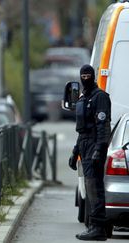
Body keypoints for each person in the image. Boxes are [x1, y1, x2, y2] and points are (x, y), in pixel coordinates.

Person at [68, 64, 111, 241]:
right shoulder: (83, 97)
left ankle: (98, 227)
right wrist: (75, 152)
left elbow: (103, 126)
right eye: (83, 75)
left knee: (94, 186)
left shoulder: (100, 97)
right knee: (89, 185)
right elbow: (82, 131)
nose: (85, 78)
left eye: (88, 75)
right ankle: (95, 225)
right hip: (85, 144)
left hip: (94, 145)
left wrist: (99, 150)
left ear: (93, 76)